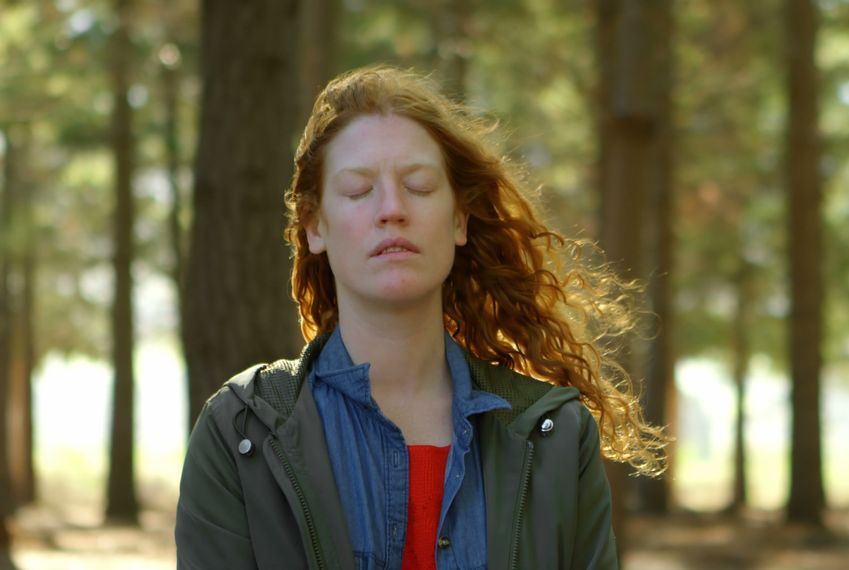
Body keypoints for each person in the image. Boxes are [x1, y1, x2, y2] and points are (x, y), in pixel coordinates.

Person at [175, 65, 665, 570]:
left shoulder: (556, 434)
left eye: (420, 186)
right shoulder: (241, 428)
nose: (391, 208)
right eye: (359, 190)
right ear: (315, 226)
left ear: (459, 219)